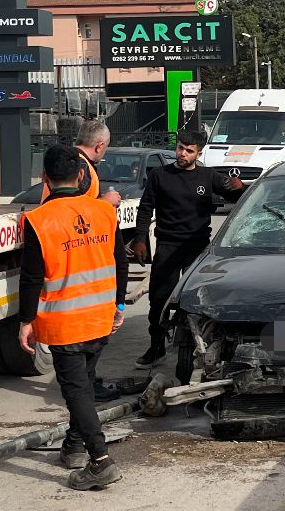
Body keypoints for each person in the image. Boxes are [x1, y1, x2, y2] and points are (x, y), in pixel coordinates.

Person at [18, 145, 129, 490]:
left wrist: (26, 321)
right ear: (82, 176)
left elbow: (32, 277)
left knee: (77, 391)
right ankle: (75, 445)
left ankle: (100, 461)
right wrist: (119, 305)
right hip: (100, 317)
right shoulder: (104, 212)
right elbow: (120, 263)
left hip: (66, 323)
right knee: (84, 386)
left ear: (44, 180)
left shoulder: (37, 221)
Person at [131, 130, 245, 376]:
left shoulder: (208, 176)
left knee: (198, 300)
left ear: (199, 153)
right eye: (181, 148)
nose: (183, 153)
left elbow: (237, 195)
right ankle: (156, 347)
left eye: (189, 150)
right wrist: (140, 239)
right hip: (167, 246)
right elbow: (145, 208)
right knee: (159, 300)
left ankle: (197, 346)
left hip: (197, 248)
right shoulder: (160, 176)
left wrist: (239, 187)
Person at [38, 120, 123, 402]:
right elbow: (78, 211)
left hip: (64, 246)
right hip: (76, 254)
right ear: (99, 145)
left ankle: (86, 385)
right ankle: (86, 390)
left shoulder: (70, 162)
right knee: (85, 337)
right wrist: (106, 203)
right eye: (105, 149)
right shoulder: (82, 167)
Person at [41, 120, 121, 208]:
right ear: (99, 147)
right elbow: (70, 208)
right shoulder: (79, 164)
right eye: (105, 147)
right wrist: (105, 201)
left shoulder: (63, 159)